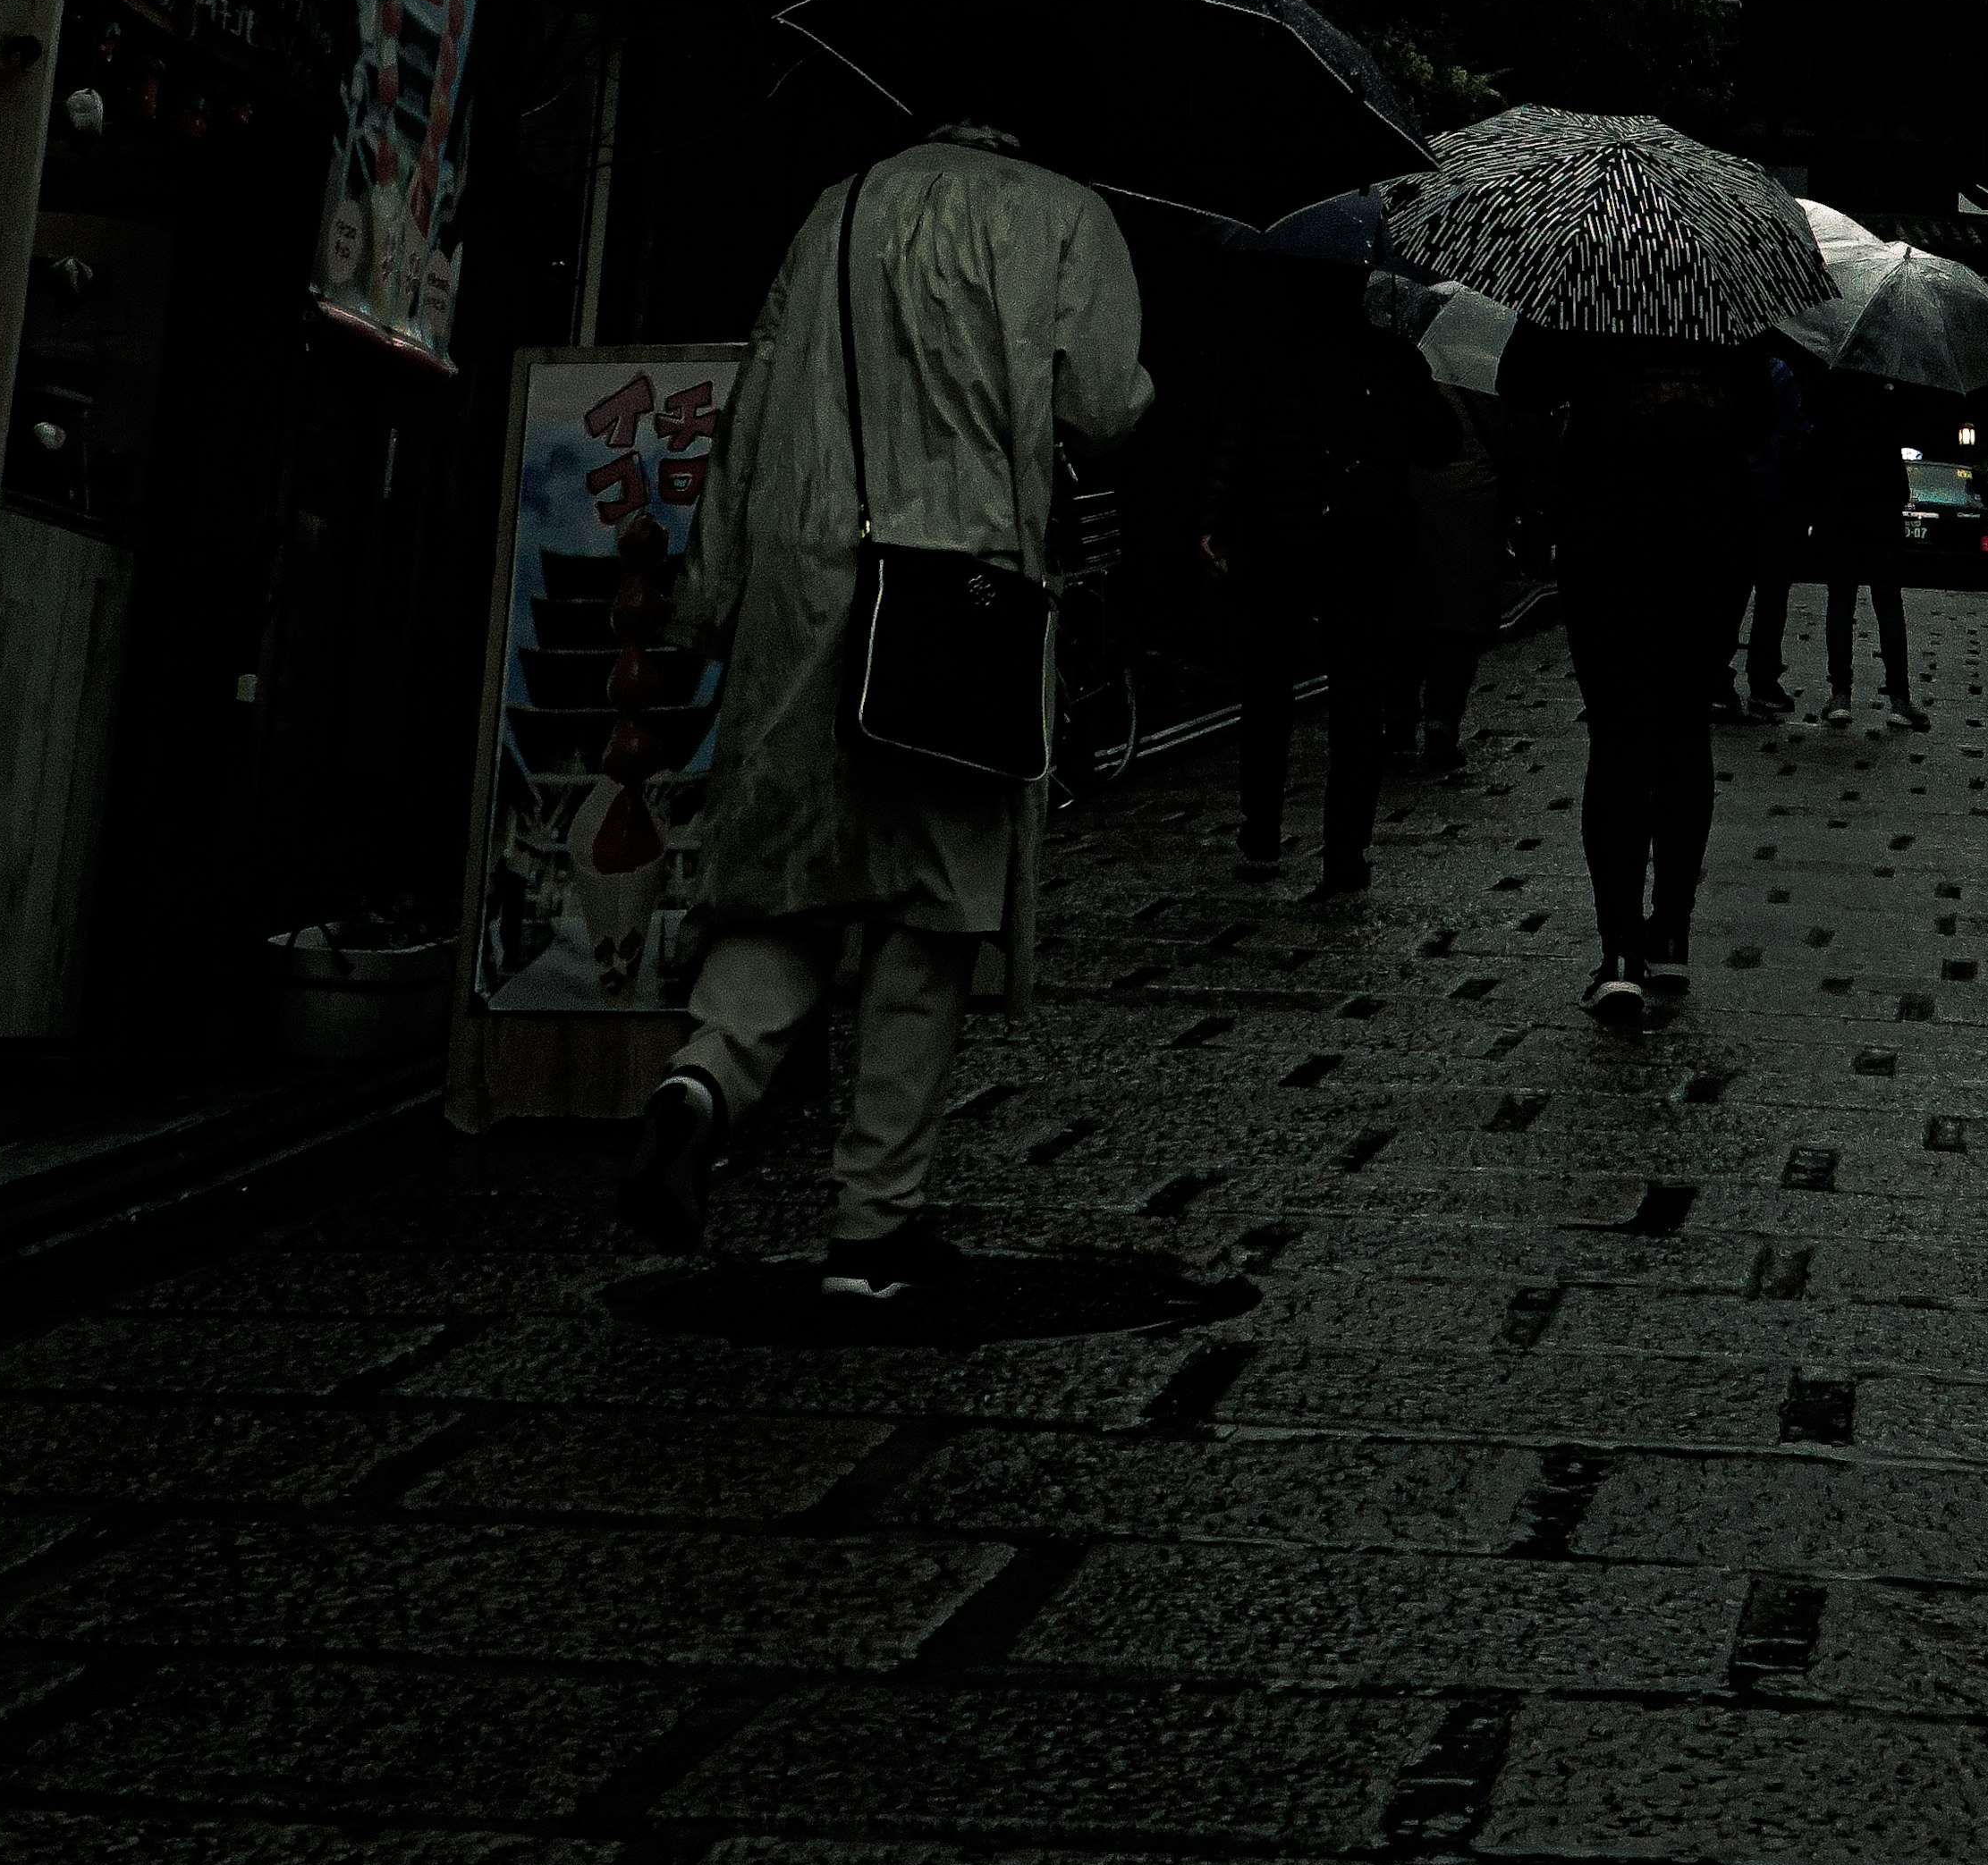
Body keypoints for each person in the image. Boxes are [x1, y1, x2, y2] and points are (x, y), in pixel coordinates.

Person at [616, 123, 1149, 1286]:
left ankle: (702, 1083)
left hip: (809, 583)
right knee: (930, 907)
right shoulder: (1070, 214)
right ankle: (874, 1221)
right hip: (957, 597)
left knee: (790, 878)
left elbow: (757, 401)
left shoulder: (838, 203)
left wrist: (705, 601)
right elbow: (1101, 403)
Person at [1517, 325, 1774, 1020]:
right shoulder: (1727, 298)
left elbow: (1519, 383)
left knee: (1619, 737)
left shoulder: (1587, 295)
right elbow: (1765, 415)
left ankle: (1620, 953)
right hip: (1710, 538)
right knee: (1684, 733)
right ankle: (1672, 933)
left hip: (1607, 536)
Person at [1202, 266, 1451, 899]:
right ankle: (1346, 852)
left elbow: (1234, 442)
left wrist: (1217, 520)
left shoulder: (1268, 358)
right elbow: (1440, 443)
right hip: (1363, 544)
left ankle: (1260, 830)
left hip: (1277, 541)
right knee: (1358, 699)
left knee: (1267, 689)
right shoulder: (1391, 358)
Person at [1389, 360, 1509, 777]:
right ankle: (1442, 727)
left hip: (1403, 507)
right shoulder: (1483, 372)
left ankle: (1399, 721)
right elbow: (1512, 445)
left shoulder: (1391, 371)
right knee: (1458, 629)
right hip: (1470, 507)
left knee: (1405, 624)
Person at [1806, 364, 1928, 731]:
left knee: (1840, 601)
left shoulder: (1831, 396)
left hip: (1840, 515)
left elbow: (1818, 460)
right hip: (1881, 518)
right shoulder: (1887, 399)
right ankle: (1899, 699)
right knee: (1888, 604)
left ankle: (1841, 694)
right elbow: (1899, 481)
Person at [1718, 350, 1815, 722]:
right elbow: (1794, 429)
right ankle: (1763, 682)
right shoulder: (1778, 372)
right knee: (1771, 598)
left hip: (1733, 497)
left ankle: (1717, 679)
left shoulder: (1722, 372)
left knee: (1729, 594)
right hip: (1774, 499)